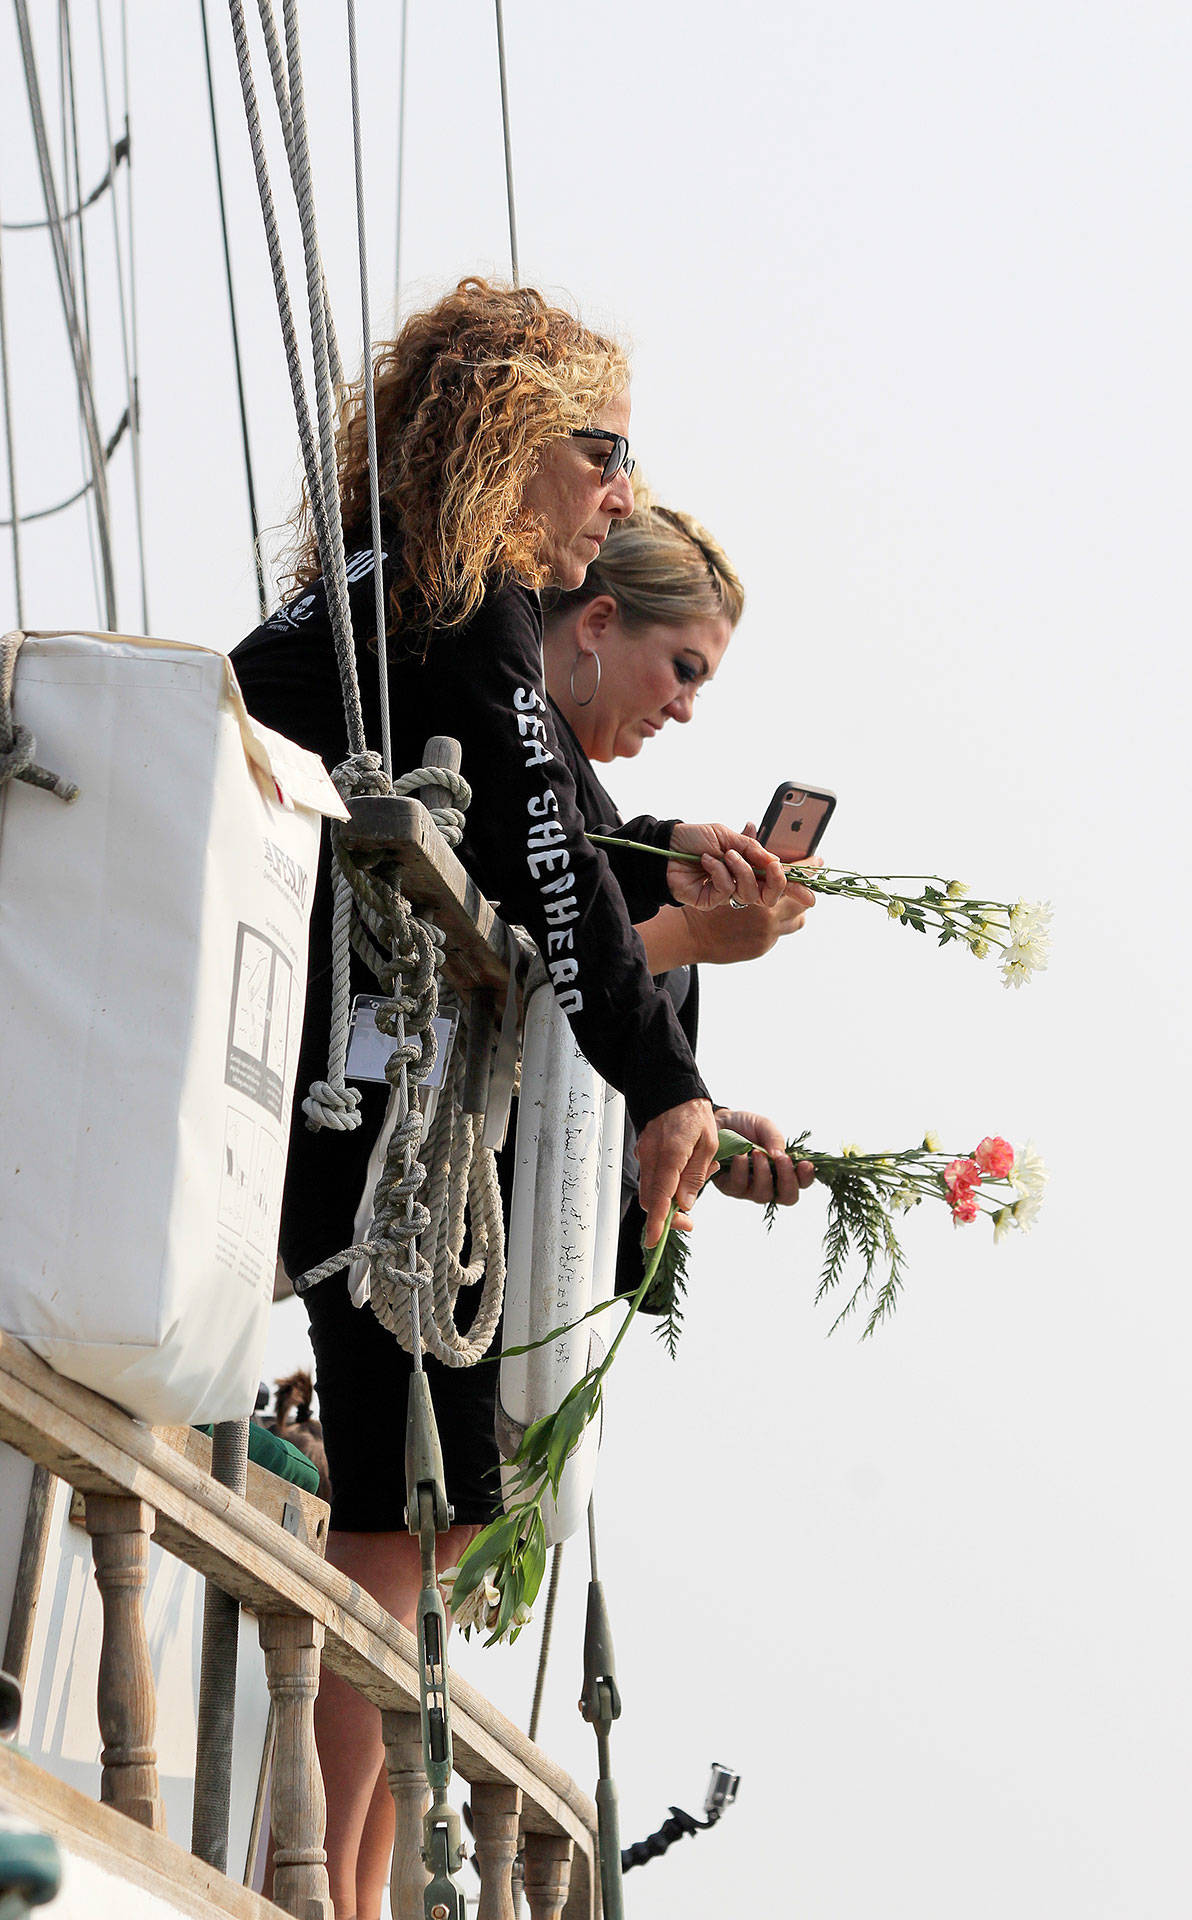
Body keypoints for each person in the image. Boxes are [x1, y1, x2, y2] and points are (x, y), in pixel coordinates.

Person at [231, 279, 806, 1920]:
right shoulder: (455, 605)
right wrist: (673, 1066)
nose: (621, 491)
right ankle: (332, 1895)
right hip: (333, 1086)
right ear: (507, 432)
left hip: (332, 1072)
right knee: (409, 1513)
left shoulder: (405, 596)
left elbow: (553, 856)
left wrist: (683, 1042)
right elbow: (550, 880)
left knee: (430, 1505)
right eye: (603, 451)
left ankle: (340, 1881)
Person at [541, 502, 817, 1256]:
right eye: (683, 669)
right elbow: (520, 965)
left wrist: (706, 1129)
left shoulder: (588, 808)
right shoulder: (514, 766)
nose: (687, 709)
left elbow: (589, 1020)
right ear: (598, 622)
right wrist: (697, 933)